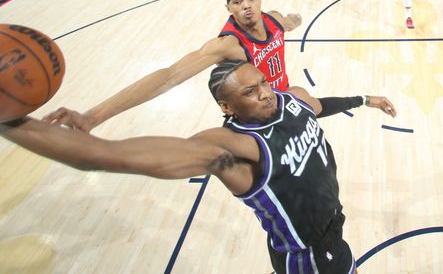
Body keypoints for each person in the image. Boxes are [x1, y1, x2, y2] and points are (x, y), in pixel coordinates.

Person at [3, 61, 398, 274]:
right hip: (307, 257)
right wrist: (11, 123)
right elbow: (105, 155)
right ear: (227, 107)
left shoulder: (289, 98)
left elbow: (318, 106)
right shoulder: (230, 148)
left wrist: (365, 99)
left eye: (262, 81)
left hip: (333, 224)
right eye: (250, 91)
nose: (265, 93)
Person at [44, 0, 303, 132]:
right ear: (228, 8)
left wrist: (295, 18)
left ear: (260, 0)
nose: (246, 5)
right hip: (254, 116)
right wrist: (93, 117)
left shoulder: (274, 21)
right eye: (237, 1)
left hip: (280, 98)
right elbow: (168, 78)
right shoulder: (227, 45)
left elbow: (289, 22)